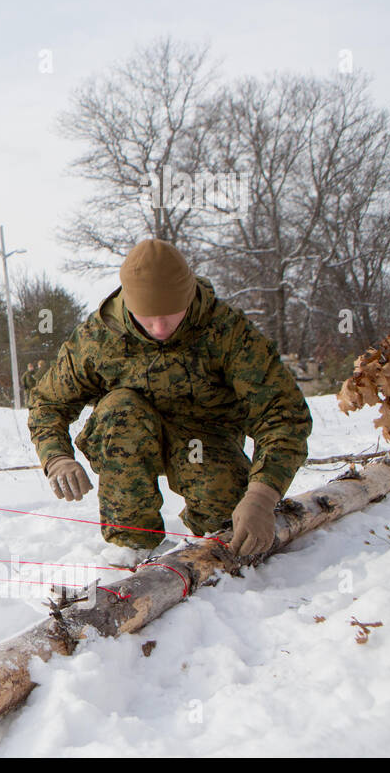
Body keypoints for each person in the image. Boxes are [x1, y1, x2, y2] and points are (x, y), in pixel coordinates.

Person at [27, 239, 311, 565]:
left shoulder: (228, 331)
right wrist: (57, 458)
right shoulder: (97, 338)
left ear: (189, 297)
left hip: (205, 442)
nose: (160, 328)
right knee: (120, 409)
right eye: (148, 318)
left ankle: (211, 528)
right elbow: (48, 403)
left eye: (171, 314)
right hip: (128, 438)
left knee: (232, 534)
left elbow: (284, 415)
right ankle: (132, 543)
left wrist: (262, 496)